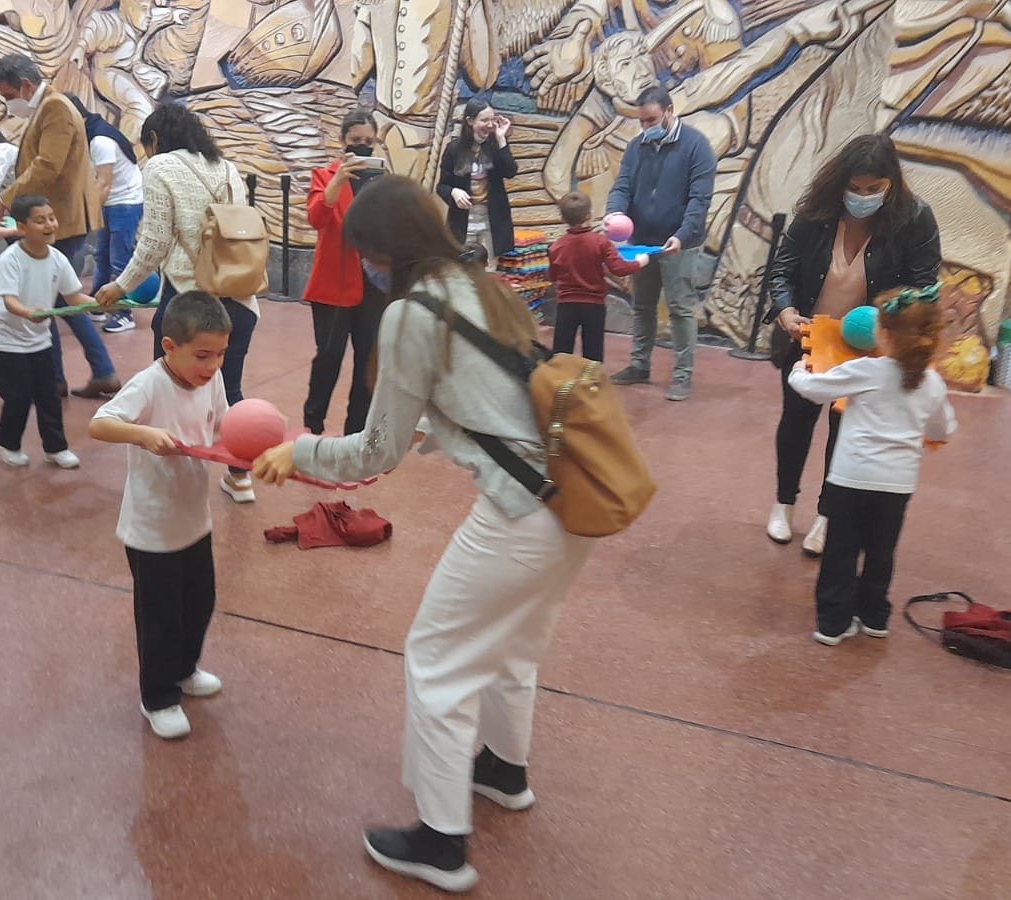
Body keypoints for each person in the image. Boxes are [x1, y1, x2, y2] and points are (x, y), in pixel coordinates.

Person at [250, 176, 594, 893]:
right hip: (571, 500)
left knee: (436, 662)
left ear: (386, 250)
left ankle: (441, 844)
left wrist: (299, 451)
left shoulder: (412, 313)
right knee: (511, 646)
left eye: (366, 255)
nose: (366, 269)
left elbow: (376, 452)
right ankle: (504, 771)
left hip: (517, 512)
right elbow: (483, 400)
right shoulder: (481, 284)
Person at [764, 134, 942, 556]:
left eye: (873, 189)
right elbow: (781, 270)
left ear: (891, 183)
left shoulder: (915, 218)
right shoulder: (815, 212)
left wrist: (892, 321)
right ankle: (783, 504)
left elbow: (924, 286)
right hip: (808, 336)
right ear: (840, 182)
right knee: (796, 423)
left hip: (870, 348)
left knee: (845, 431)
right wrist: (786, 311)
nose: (863, 197)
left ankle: (827, 515)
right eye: (855, 188)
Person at [95, 102, 258, 504]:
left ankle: (172, 477)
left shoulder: (159, 166)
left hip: (189, 304)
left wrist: (120, 286)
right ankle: (240, 477)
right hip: (239, 297)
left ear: (154, 139)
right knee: (228, 389)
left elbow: (155, 242)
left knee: (172, 388)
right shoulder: (226, 167)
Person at [89, 291, 232, 741]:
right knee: (160, 617)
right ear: (169, 346)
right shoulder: (149, 384)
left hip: (194, 521)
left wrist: (256, 444)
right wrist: (143, 433)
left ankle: (185, 670)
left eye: (220, 354)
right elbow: (99, 423)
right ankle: (158, 697)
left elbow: (223, 426)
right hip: (151, 529)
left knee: (199, 603)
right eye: (202, 355)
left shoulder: (211, 379)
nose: (212, 365)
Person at [786, 284, 956, 645]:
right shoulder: (933, 383)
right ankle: (875, 616)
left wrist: (798, 370)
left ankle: (833, 624)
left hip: (851, 478)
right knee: (881, 552)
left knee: (841, 551)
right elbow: (942, 429)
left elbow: (814, 389)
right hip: (897, 484)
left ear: (885, 335)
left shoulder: (866, 369)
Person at [0, 54, 119, 400]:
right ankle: (82, 373)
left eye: (8, 96)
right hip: (55, 218)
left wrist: (2, 201)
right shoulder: (47, 107)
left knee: (53, 298)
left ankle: (61, 377)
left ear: (26, 85)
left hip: (60, 221)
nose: (7, 103)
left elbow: (46, 166)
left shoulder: (54, 107)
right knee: (58, 297)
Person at [603, 86, 718, 401]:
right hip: (642, 242)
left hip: (679, 242)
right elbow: (622, 186)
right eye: (641, 121)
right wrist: (614, 213)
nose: (645, 127)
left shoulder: (696, 146)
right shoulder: (636, 147)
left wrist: (682, 235)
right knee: (642, 306)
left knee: (680, 308)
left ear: (669, 111)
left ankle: (682, 375)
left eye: (651, 120)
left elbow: (699, 200)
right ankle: (639, 365)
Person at [0, 195, 86, 470]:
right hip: (6, 340)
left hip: (39, 339)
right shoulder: (11, 258)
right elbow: (9, 301)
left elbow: (75, 298)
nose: (49, 225)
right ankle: (5, 442)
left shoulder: (58, 259)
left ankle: (56, 448)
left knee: (49, 395)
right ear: (21, 227)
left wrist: (106, 302)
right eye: (40, 221)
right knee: (18, 396)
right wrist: (29, 312)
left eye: (51, 218)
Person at [301, 109, 387, 436]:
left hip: (374, 285)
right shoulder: (324, 176)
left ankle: (357, 431)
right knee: (329, 356)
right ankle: (313, 424)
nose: (363, 146)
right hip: (333, 283)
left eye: (369, 141)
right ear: (342, 141)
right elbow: (317, 218)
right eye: (355, 140)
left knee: (368, 359)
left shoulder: (382, 182)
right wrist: (338, 180)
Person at [64, 92, 144, 335]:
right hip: (112, 202)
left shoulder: (100, 140)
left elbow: (104, 183)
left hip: (125, 203)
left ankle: (123, 313)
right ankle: (98, 305)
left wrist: (87, 216)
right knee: (102, 256)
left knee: (119, 259)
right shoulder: (90, 134)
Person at [547, 191, 649, 362]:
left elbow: (553, 276)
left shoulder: (556, 247)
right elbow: (619, 268)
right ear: (589, 215)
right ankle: (592, 378)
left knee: (561, 352)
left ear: (563, 219)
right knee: (593, 353)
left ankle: (561, 377)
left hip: (566, 305)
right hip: (593, 306)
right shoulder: (601, 243)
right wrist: (639, 262)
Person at [436, 95, 517, 265]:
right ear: (470, 121)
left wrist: (501, 138)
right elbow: (442, 186)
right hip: (464, 221)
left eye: (492, 120)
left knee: (490, 270)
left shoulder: (495, 146)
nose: (490, 125)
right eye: (484, 120)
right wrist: (453, 192)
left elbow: (510, 171)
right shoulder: (454, 149)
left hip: (491, 221)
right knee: (463, 270)